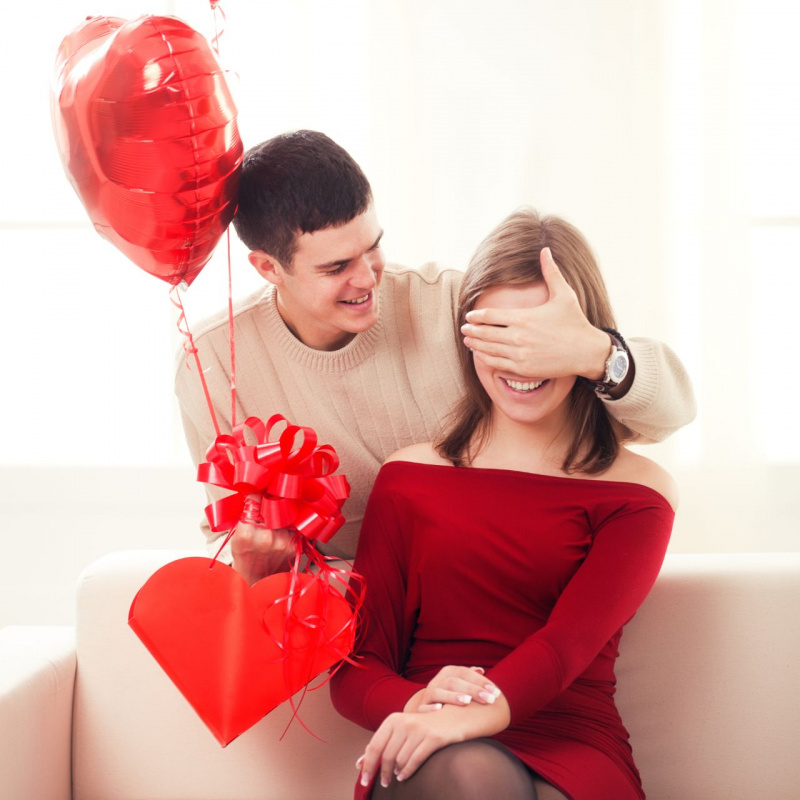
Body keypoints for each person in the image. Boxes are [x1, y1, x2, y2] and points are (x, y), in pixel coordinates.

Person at [174, 130, 693, 585]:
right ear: (267, 267)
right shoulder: (217, 363)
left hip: (494, 588)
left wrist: (596, 351)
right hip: (356, 618)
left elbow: (668, 416)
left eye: (373, 247)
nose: (367, 277)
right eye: (336, 267)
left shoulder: (449, 303)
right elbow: (226, 538)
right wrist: (265, 571)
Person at [329, 209, 677, 800]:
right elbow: (356, 668)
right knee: (469, 775)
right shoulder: (408, 477)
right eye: (498, 335)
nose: (520, 361)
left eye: (540, 340)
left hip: (573, 743)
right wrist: (422, 705)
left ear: (582, 341)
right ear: (466, 338)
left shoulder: (638, 494)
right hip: (433, 748)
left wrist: (474, 711)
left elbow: (565, 646)